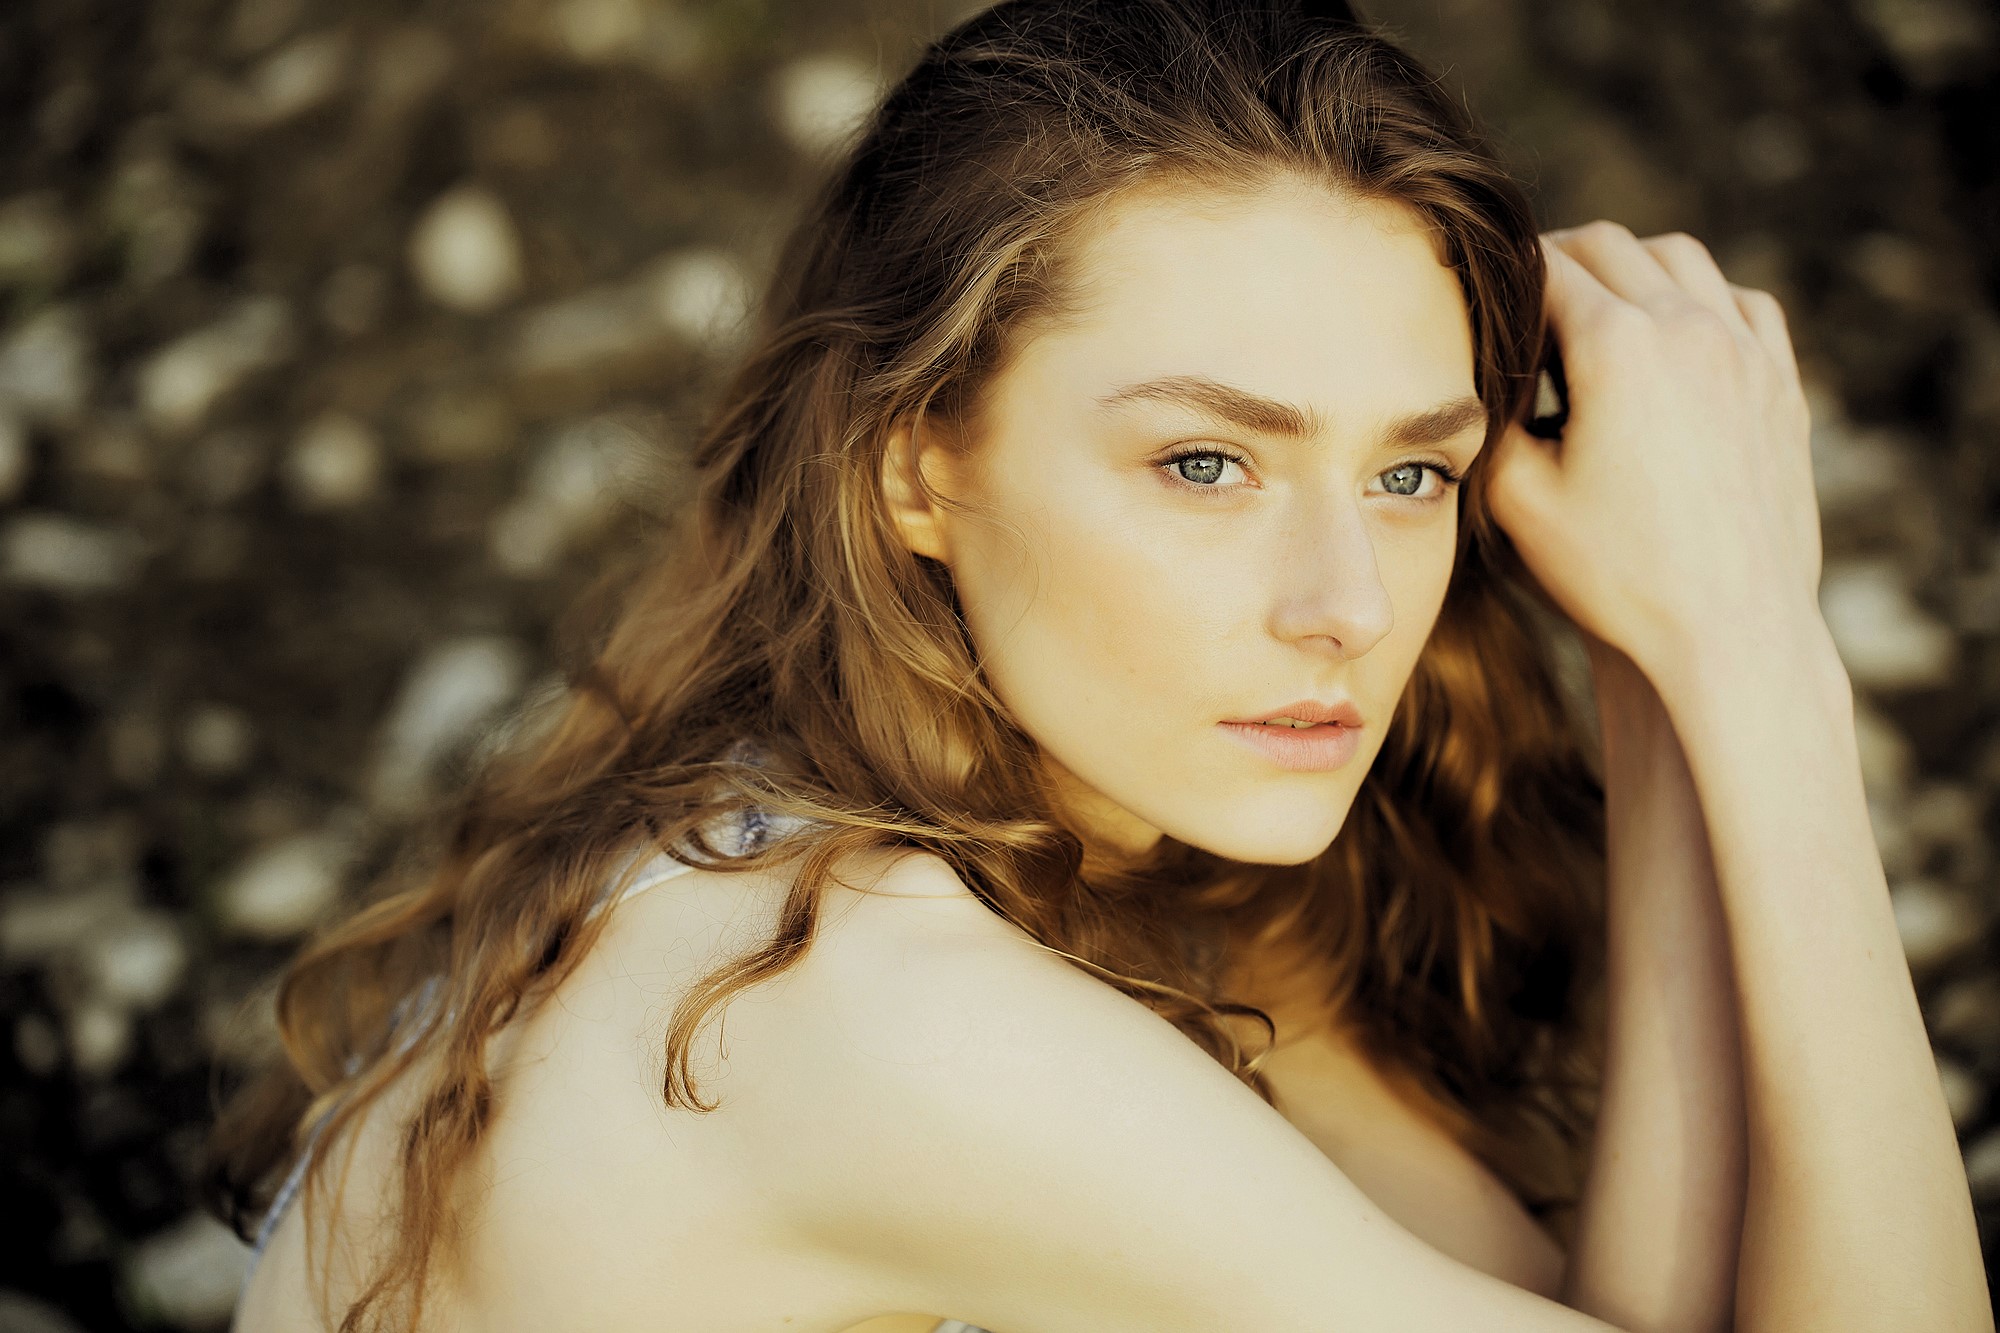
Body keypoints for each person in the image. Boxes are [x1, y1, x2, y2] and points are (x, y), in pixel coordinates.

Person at [208, 1, 1992, 1330]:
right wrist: (1769, 661)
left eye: (1411, 473)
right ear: (919, 462)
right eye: (1205, 463)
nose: (1349, 605)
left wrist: (1667, 654)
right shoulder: (846, 1004)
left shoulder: (1084, 835)